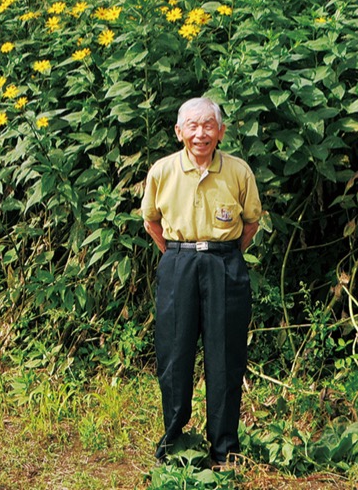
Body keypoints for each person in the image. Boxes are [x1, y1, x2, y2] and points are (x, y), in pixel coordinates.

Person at [141, 96, 263, 469]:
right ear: (179, 132)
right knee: (174, 354)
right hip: (177, 262)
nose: (200, 133)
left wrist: (218, 253)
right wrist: (179, 254)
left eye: (208, 125)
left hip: (224, 263)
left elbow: (251, 224)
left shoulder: (239, 171)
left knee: (225, 356)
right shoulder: (162, 171)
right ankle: (174, 443)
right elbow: (151, 222)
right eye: (192, 126)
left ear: (221, 131)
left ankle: (224, 448)